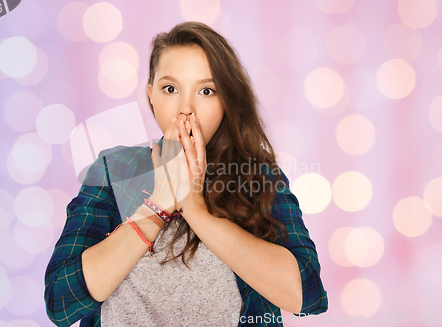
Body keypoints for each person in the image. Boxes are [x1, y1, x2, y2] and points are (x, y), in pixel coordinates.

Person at [44, 21, 327, 327]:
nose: (186, 109)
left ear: (226, 100)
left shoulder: (258, 176)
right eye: (170, 89)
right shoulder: (115, 169)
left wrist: (195, 208)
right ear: (151, 94)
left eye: (206, 91)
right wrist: (158, 206)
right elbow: (61, 303)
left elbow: (306, 295)